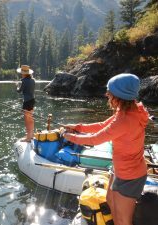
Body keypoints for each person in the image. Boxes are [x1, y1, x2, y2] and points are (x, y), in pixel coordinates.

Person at [62, 73, 149, 225]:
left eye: (110, 93)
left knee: (123, 220)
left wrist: (69, 136)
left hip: (130, 176)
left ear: (120, 96)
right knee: (110, 201)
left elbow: (94, 139)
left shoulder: (125, 120)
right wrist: (78, 127)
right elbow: (103, 125)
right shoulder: (128, 111)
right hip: (120, 168)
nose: (107, 95)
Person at [16, 65, 36, 142]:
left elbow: (19, 91)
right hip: (32, 100)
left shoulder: (24, 81)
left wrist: (17, 86)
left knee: (27, 120)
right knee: (31, 119)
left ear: (24, 73)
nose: (21, 74)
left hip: (27, 102)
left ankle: (28, 138)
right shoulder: (33, 80)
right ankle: (31, 135)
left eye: (22, 73)